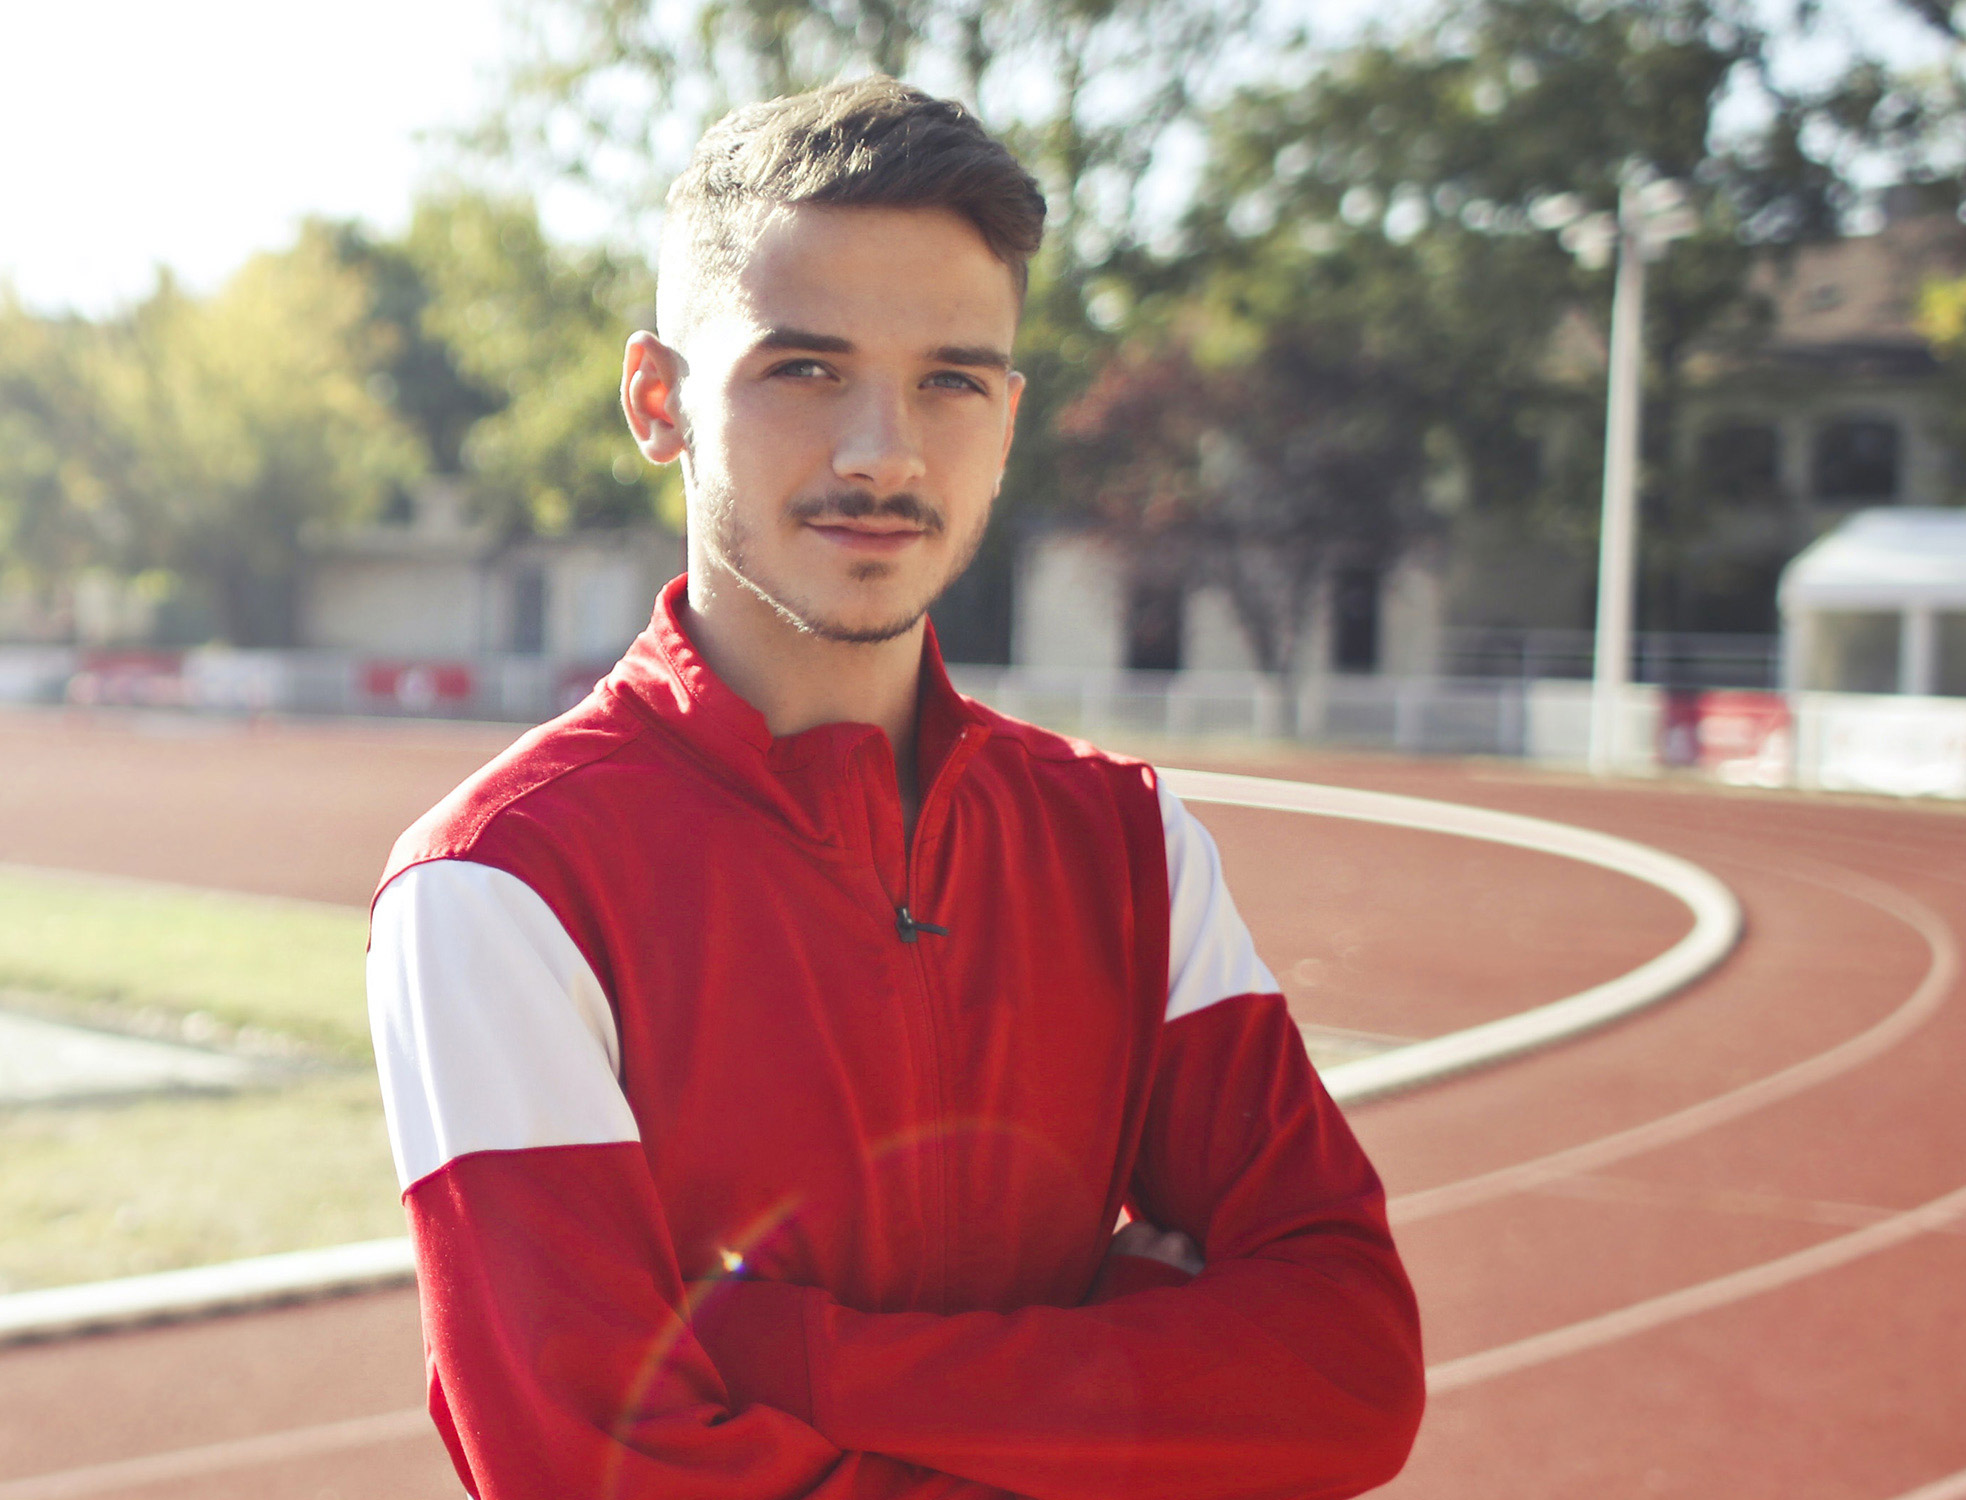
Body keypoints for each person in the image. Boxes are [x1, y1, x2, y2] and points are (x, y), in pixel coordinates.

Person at [366, 77, 1424, 1500]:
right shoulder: (498, 887)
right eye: (805, 369)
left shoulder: (1128, 848)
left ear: (1010, 415)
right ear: (659, 400)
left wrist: (780, 1357)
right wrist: (1134, 1359)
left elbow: (1350, 1370)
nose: (884, 451)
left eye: (952, 379)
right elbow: (606, 1481)